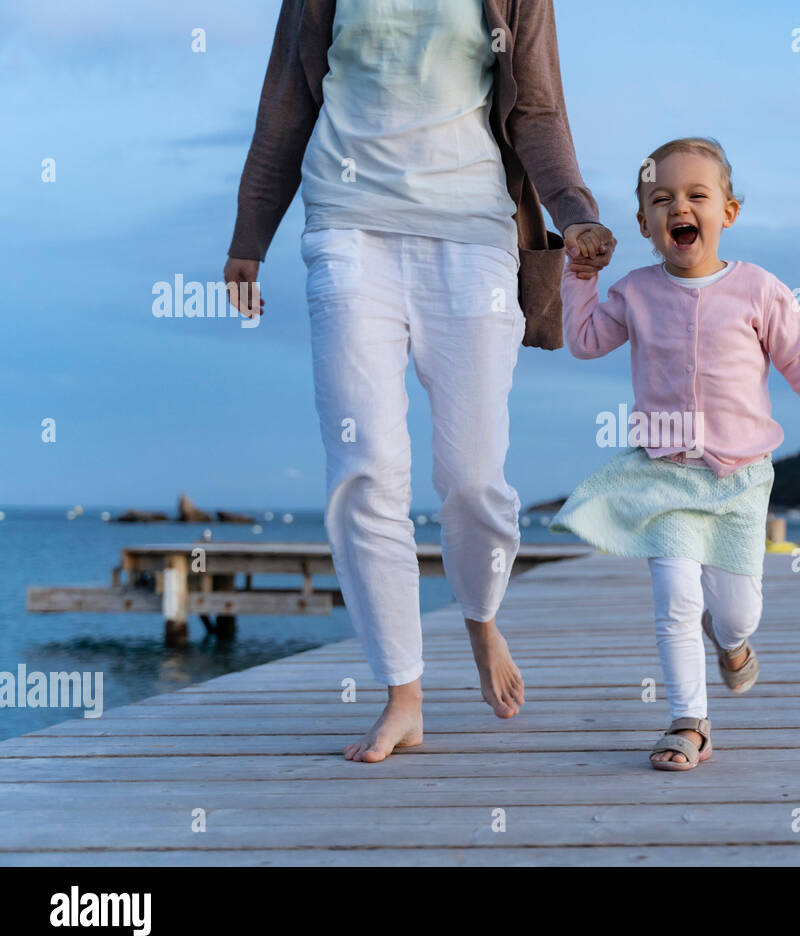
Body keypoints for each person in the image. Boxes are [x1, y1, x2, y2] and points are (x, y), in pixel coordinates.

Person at [223, 0, 615, 762]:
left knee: (472, 478)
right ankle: (403, 691)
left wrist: (576, 212)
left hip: (471, 234)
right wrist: (250, 235)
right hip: (348, 225)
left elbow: (536, 109)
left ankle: (479, 617)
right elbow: (286, 102)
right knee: (366, 465)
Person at [550, 137, 800, 770]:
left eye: (697, 195)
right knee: (675, 595)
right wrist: (580, 277)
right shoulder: (638, 292)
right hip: (665, 478)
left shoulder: (759, 290)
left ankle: (730, 643)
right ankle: (689, 721)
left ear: (727, 213)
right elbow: (588, 341)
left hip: (740, 482)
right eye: (661, 198)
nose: (680, 205)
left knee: (737, 611)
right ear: (647, 223)